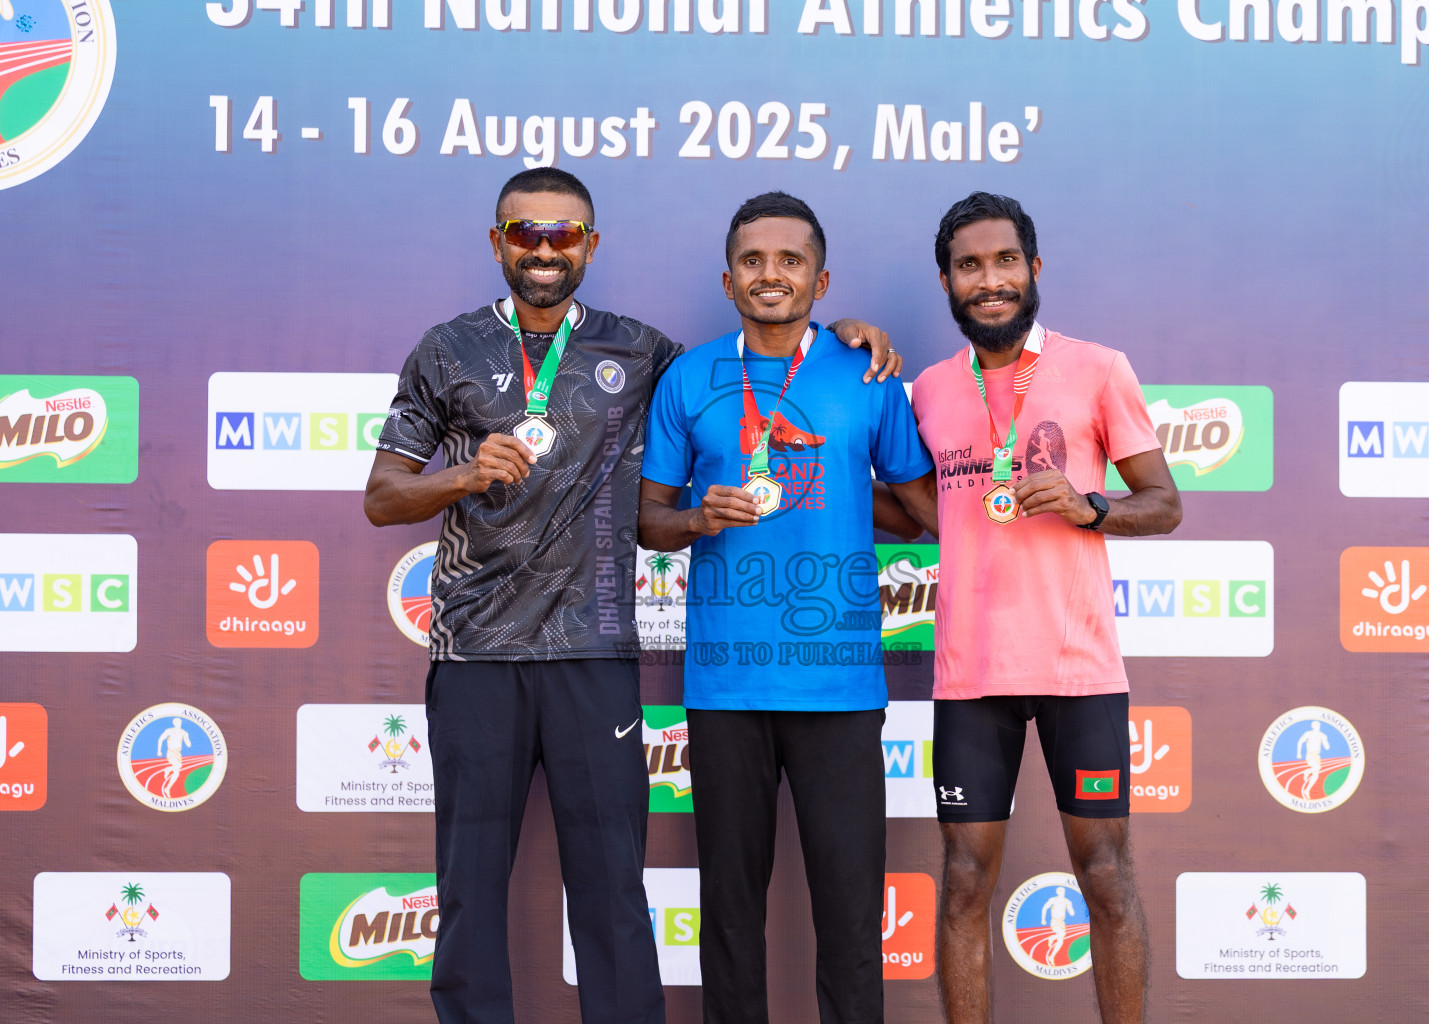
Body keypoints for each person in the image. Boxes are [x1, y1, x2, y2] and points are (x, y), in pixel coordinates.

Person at [362, 168, 901, 1024]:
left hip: (595, 651)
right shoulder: (446, 349)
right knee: (466, 889)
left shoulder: (645, 353)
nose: (544, 249)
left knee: (613, 893)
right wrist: (465, 473)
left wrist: (840, 333)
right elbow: (382, 496)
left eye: (563, 235)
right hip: (474, 653)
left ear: (590, 246)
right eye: (525, 233)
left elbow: (770, 345)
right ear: (498, 242)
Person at [637, 191, 933, 1024]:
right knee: (730, 915)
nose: (772, 275)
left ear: (821, 278)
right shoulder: (689, 378)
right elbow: (647, 519)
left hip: (838, 685)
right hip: (725, 686)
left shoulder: (868, 374)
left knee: (849, 915)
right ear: (728, 280)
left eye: (790, 260)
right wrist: (697, 517)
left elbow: (922, 511)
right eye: (753, 261)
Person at [894, 192, 1182, 1024]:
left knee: (1105, 874)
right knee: (964, 883)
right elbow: (923, 508)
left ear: (1034, 268)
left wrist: (1089, 505)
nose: (990, 281)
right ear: (947, 281)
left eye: (1005, 261)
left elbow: (1162, 503)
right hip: (970, 678)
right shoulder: (929, 390)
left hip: (1078, 672)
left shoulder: (1098, 369)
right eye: (970, 266)